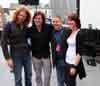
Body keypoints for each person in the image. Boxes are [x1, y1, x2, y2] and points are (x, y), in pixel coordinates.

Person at [1, 7, 32, 86]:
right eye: (20, 15)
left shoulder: (26, 27)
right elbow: (3, 42)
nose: (21, 17)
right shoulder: (9, 25)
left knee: (29, 75)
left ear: (26, 18)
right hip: (16, 55)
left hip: (27, 55)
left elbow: (29, 39)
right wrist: (8, 58)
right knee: (18, 79)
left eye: (24, 16)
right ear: (17, 14)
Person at [27, 11, 52, 86]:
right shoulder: (30, 30)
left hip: (46, 56)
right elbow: (24, 40)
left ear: (43, 19)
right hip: (35, 57)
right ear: (33, 19)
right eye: (36, 18)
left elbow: (57, 31)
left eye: (39, 18)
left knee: (47, 76)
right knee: (38, 76)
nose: (37, 20)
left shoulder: (48, 27)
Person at [65, 13, 86, 86]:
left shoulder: (79, 33)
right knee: (68, 82)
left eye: (71, 20)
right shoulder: (70, 31)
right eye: (68, 20)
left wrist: (74, 66)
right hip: (67, 61)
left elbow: (80, 53)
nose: (69, 22)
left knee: (70, 83)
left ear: (76, 21)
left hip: (73, 63)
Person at [51, 16, 70, 86]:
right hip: (58, 60)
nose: (55, 23)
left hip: (67, 60)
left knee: (68, 80)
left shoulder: (67, 31)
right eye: (54, 22)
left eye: (57, 21)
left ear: (61, 22)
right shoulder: (52, 32)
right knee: (60, 80)